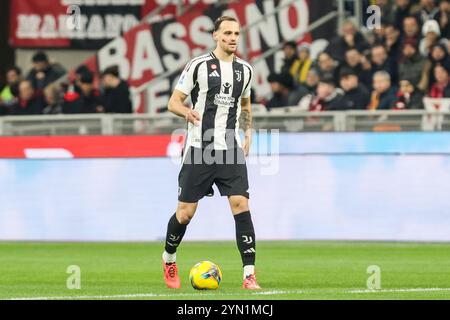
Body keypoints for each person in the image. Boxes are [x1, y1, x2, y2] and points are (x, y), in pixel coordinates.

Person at [161, 16, 261, 290]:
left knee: (241, 204)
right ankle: (169, 258)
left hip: (229, 149)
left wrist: (248, 133)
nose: (232, 37)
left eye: (237, 33)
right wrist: (186, 111)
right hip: (199, 148)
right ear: (216, 35)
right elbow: (173, 102)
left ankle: (249, 275)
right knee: (185, 213)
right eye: (227, 32)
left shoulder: (245, 71)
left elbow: (246, 106)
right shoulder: (198, 66)